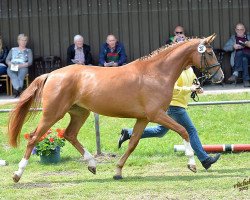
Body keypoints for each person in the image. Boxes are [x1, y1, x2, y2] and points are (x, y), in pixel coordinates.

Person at [118, 67, 221, 171]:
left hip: (179, 105)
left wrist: (198, 89)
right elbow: (173, 88)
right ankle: (205, 160)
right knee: (191, 131)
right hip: (174, 106)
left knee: (160, 131)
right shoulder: (176, 70)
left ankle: (129, 133)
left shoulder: (190, 70)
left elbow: (194, 83)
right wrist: (189, 89)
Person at [223, 23, 250, 87]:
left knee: (240, 53)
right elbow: (225, 48)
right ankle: (246, 80)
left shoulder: (248, 37)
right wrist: (233, 47)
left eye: (241, 29)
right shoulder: (233, 38)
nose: (240, 31)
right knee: (244, 59)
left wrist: (248, 44)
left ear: (244, 30)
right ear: (235, 30)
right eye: (238, 29)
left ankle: (235, 73)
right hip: (240, 59)